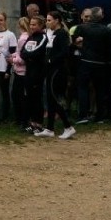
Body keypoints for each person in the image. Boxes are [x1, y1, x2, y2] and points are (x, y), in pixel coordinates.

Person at [36, 11, 76, 139]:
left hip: (58, 71)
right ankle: (50, 128)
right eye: (47, 20)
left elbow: (64, 52)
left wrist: (50, 60)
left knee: (55, 98)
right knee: (50, 99)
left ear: (57, 20)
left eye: (49, 20)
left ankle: (68, 127)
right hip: (49, 70)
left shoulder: (62, 34)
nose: (47, 23)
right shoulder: (51, 34)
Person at [72, 7, 111, 124]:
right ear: (101, 17)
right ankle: (100, 116)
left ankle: (83, 115)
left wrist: (81, 46)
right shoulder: (106, 30)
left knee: (83, 88)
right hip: (101, 64)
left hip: (85, 61)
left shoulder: (82, 28)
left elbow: (74, 41)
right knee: (100, 90)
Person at [21, 16, 48, 133]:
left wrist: (29, 56)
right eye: (31, 24)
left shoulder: (43, 37)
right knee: (29, 97)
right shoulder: (30, 37)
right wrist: (28, 56)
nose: (31, 27)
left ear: (41, 26)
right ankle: (29, 122)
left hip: (38, 72)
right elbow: (22, 52)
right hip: (29, 70)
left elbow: (37, 52)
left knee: (37, 97)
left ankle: (38, 123)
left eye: (34, 25)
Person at [9, 17, 30, 131]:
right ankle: (22, 119)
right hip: (22, 70)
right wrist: (14, 56)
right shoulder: (28, 37)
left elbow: (22, 56)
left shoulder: (23, 38)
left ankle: (21, 119)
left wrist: (13, 59)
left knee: (18, 96)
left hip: (21, 71)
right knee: (20, 95)